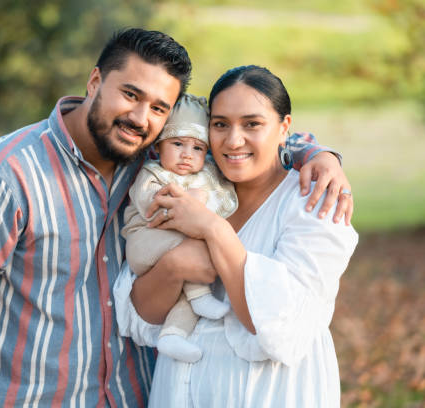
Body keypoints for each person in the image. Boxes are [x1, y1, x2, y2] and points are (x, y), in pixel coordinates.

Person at [0, 26, 353, 407]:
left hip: (134, 396)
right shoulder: (5, 173)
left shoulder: (150, 157)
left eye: (159, 107)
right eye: (130, 94)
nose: (140, 117)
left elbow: (243, 142)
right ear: (94, 81)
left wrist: (316, 154)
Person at [115, 65, 358, 407]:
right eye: (220, 124)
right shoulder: (187, 186)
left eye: (252, 124)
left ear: (284, 126)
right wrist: (174, 265)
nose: (233, 140)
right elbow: (141, 316)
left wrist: (213, 229)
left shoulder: (316, 203)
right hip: (175, 394)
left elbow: (276, 324)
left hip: (271, 395)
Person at [121, 93, 237, 363]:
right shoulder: (152, 174)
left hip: (181, 254)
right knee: (197, 258)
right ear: (159, 146)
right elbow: (150, 203)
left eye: (198, 148)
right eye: (178, 144)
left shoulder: (206, 176)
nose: (187, 154)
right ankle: (199, 295)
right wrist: (188, 205)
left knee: (188, 293)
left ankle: (172, 335)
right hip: (146, 242)